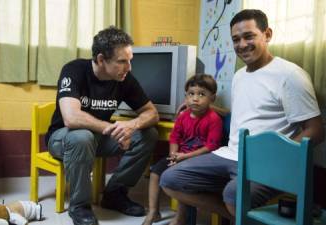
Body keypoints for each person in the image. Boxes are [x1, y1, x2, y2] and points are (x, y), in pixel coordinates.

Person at [159, 8, 325, 222]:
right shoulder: (239, 76)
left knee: (233, 195)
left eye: (249, 36)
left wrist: (275, 159)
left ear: (267, 34)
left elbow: (316, 130)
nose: (242, 44)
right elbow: (248, 114)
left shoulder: (290, 76)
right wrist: (203, 108)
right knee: (170, 179)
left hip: (266, 161)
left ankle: (239, 213)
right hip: (230, 154)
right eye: (236, 39)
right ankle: (241, 217)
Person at [45, 26, 159, 225]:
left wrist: (131, 126)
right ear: (100, 59)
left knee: (148, 134)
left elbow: (152, 113)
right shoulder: (74, 70)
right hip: (63, 138)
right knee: (82, 137)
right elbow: (71, 118)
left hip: (99, 139)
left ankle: (115, 194)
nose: (129, 67)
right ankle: (79, 206)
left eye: (130, 60)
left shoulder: (124, 79)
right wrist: (111, 128)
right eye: (122, 61)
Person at [142, 74, 224, 225]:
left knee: (181, 181)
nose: (195, 99)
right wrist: (173, 155)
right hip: (179, 156)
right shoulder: (183, 116)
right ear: (186, 97)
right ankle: (154, 211)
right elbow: (174, 138)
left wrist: (185, 157)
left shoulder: (214, 119)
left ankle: (180, 217)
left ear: (212, 98)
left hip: (199, 159)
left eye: (201, 94)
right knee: (155, 173)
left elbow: (211, 147)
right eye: (191, 94)